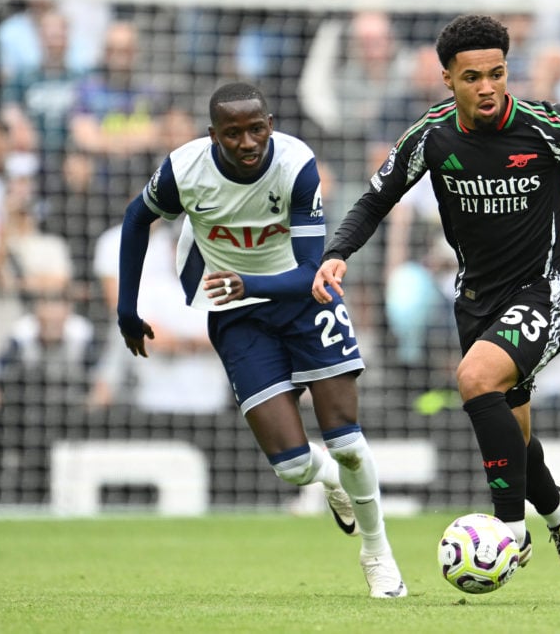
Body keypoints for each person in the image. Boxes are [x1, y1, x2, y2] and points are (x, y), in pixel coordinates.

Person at [313, 14, 560, 586]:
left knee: (474, 379)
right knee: (516, 440)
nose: (487, 88)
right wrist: (338, 252)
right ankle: (558, 512)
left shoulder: (543, 123)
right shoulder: (431, 137)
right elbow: (374, 199)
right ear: (447, 80)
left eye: (496, 74)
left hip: (547, 291)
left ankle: (510, 534)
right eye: (472, 78)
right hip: (477, 302)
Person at [116, 82, 406, 598]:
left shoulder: (296, 165)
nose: (247, 142)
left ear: (270, 124)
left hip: (304, 299)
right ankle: (331, 483)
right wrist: (126, 307)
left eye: (256, 129)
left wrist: (249, 282)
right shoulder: (184, 170)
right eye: (233, 134)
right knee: (294, 467)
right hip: (237, 313)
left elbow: (311, 269)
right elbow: (137, 218)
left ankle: (377, 553)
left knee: (348, 442)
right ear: (213, 137)